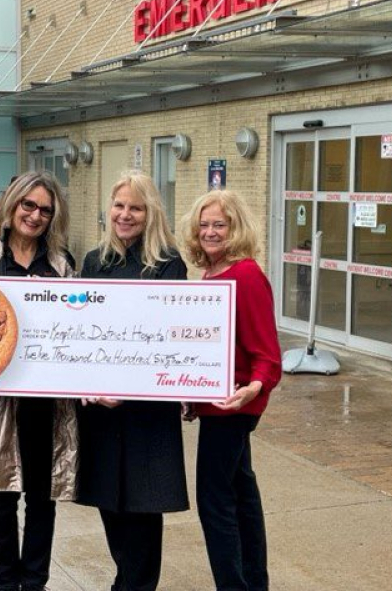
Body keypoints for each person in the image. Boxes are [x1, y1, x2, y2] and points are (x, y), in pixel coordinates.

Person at [0, 171, 78, 591]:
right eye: (28, 205)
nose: (35, 215)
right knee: (1, 498)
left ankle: (35, 583)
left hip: (46, 403)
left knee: (42, 501)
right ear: (11, 205)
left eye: (45, 209)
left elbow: (77, 332)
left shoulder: (63, 266)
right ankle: (4, 585)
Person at [78, 171, 189, 591]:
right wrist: (87, 384)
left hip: (146, 411)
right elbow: (82, 334)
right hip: (102, 412)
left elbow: (166, 338)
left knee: (143, 510)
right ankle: (126, 580)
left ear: (150, 213)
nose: (125, 215)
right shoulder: (94, 261)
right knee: (111, 504)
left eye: (135, 208)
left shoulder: (167, 265)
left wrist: (130, 389)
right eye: (119, 205)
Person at [181, 190, 282, 591]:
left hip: (235, 406)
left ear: (235, 228)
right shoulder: (213, 274)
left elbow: (267, 353)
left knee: (215, 502)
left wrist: (253, 389)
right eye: (204, 225)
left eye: (219, 225)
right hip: (218, 403)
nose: (210, 232)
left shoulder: (246, 275)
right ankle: (253, 582)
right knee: (241, 495)